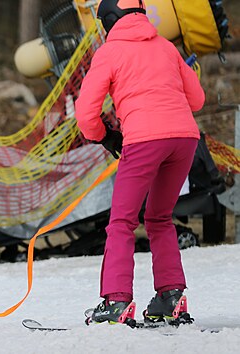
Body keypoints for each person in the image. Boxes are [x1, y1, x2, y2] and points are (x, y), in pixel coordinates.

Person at [74, 0, 204, 326]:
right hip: (185, 138)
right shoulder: (166, 47)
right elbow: (197, 100)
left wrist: (106, 136)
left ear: (108, 21)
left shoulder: (109, 51)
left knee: (122, 222)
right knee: (159, 217)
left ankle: (116, 301)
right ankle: (169, 297)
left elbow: (85, 114)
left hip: (144, 139)